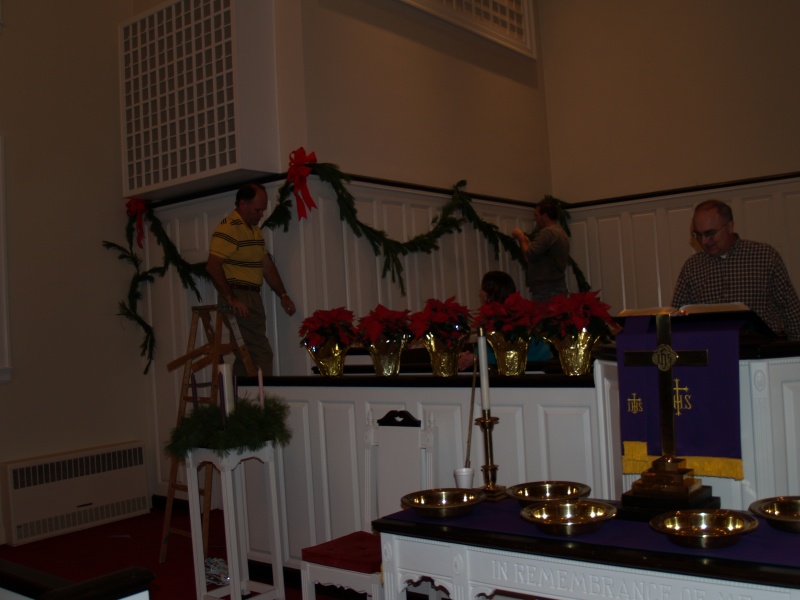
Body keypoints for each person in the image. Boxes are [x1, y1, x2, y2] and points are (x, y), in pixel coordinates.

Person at [672, 199, 800, 340]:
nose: (704, 241)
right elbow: (676, 320)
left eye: (710, 233)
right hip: (711, 349)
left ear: (729, 227)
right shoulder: (692, 267)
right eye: (698, 235)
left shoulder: (765, 257)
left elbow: (792, 313)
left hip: (758, 349)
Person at [206, 183, 297, 376]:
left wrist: (283, 295)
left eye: (263, 210)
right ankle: (264, 395)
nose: (262, 214)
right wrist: (231, 299)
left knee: (245, 355)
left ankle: (241, 394)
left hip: (251, 297)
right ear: (243, 204)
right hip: (237, 296)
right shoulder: (229, 228)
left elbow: (267, 266)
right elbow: (212, 267)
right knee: (260, 353)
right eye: (258, 210)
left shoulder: (254, 231)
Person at [459, 271, 552, 370]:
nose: (480, 293)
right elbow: (488, 348)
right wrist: (469, 356)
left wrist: (476, 358)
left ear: (489, 294)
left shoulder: (513, 318)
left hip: (536, 367)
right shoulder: (494, 318)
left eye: (483, 289)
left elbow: (511, 355)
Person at [511, 198, 570, 302]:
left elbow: (529, 256)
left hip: (547, 292)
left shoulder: (547, 232)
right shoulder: (560, 232)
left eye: (537, 215)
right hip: (557, 288)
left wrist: (520, 237)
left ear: (545, 216)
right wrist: (528, 243)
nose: (535, 219)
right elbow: (542, 254)